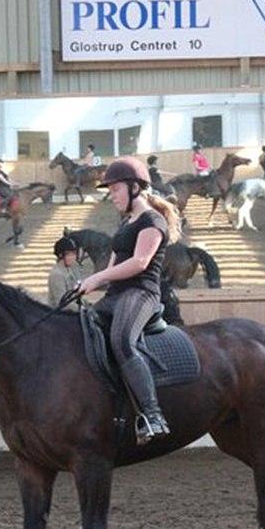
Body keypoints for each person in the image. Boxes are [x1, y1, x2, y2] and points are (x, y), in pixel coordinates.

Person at [76, 156, 181, 445]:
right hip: (115, 295)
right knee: (82, 332)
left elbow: (139, 262)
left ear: (135, 187)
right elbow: (110, 271)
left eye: (115, 190)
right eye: (110, 192)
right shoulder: (126, 223)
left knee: (123, 341)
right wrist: (85, 284)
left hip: (141, 294)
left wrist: (97, 279)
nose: (112, 196)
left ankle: (153, 415)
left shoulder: (152, 220)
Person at [47, 236, 83, 311]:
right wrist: (82, 309)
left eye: (74, 254)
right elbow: (62, 303)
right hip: (60, 315)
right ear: (61, 255)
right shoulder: (56, 275)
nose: (73, 257)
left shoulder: (73, 267)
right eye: (69, 254)